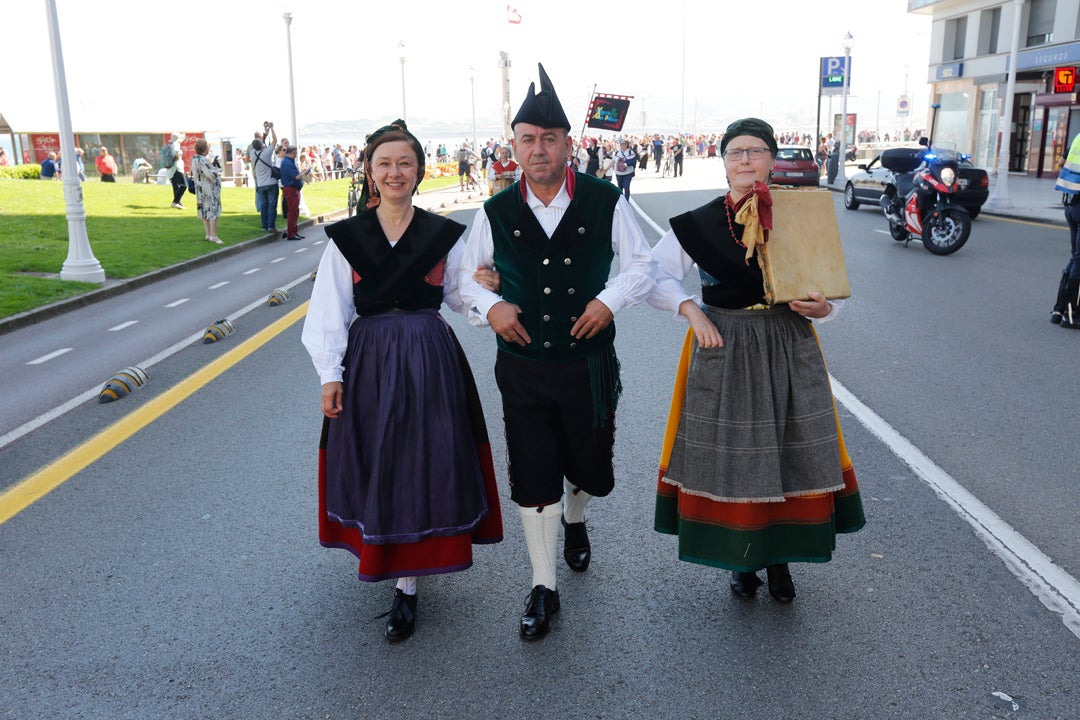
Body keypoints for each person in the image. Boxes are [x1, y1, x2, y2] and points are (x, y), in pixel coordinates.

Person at [457, 64, 656, 641]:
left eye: (549, 139)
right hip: (522, 368)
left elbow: (641, 265)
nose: (538, 149)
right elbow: (461, 280)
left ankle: (576, 513)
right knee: (533, 469)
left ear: (568, 144)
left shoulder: (603, 201)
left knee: (590, 464)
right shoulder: (493, 212)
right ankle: (543, 584)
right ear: (513, 146)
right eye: (527, 139)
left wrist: (610, 300)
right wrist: (488, 305)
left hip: (589, 365)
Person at [301, 119, 503, 643]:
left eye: (405, 163)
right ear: (370, 172)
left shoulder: (440, 235)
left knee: (423, 458)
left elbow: (461, 295)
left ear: (418, 171)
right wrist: (330, 375)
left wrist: (489, 295)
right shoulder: (346, 240)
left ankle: (408, 585)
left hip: (429, 359)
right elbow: (330, 311)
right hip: (369, 361)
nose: (395, 172)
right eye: (385, 163)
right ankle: (389, 558)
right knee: (380, 458)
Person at [647, 117, 865, 604]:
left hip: (788, 343)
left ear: (771, 159)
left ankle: (781, 561)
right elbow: (652, 277)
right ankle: (741, 561)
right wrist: (690, 310)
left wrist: (825, 308)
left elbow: (831, 282)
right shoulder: (700, 223)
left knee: (791, 452)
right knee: (737, 457)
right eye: (735, 152)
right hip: (725, 345)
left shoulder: (799, 214)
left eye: (756, 151)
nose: (745, 160)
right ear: (723, 162)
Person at [1053, 131, 1080, 329]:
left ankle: (1059, 309)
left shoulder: (1078, 137)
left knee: (1076, 257)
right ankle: (1072, 316)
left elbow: (1061, 164)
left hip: (1071, 205)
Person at [190, 138, 223, 245]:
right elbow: (211, 174)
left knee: (204, 211)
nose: (208, 148)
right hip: (209, 189)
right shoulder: (203, 160)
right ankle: (214, 235)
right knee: (213, 211)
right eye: (207, 147)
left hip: (200, 189)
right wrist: (217, 172)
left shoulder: (194, 159)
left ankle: (208, 234)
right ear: (204, 149)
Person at [251, 129, 280, 233]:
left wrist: (265, 133)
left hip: (261, 184)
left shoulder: (252, 153)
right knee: (272, 206)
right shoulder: (267, 153)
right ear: (262, 144)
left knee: (264, 206)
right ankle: (271, 226)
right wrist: (272, 129)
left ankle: (264, 226)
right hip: (271, 183)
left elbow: (257, 143)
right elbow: (275, 141)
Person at [279, 145, 307, 241]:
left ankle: (294, 231)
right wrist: (305, 172)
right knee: (292, 211)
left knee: (295, 211)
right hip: (291, 188)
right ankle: (291, 233)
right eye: (295, 153)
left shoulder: (287, 162)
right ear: (291, 153)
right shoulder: (288, 163)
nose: (296, 155)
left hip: (293, 188)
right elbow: (296, 177)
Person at [163, 133, 186, 209]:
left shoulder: (169, 144)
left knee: (175, 186)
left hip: (169, 167)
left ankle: (178, 202)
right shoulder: (176, 144)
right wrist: (178, 156)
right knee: (184, 185)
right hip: (176, 167)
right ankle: (175, 202)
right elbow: (176, 155)